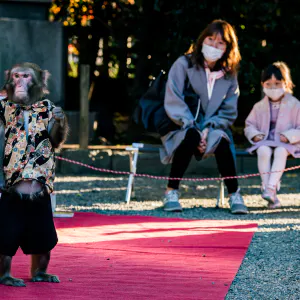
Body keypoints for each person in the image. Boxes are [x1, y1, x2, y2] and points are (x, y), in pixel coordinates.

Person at [160, 19, 248, 214]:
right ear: (202, 40)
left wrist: (208, 129)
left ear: (227, 48)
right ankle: (171, 191)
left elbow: (229, 110)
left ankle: (235, 194)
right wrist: (193, 127)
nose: (214, 46)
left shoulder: (229, 74)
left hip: (213, 128)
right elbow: (174, 98)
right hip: (181, 125)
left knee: (223, 140)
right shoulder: (183, 64)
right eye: (210, 39)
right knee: (191, 135)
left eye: (220, 43)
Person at [244, 61, 300, 208]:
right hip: (266, 141)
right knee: (263, 151)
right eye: (269, 84)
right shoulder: (259, 106)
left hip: (287, 143)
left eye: (277, 83)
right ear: (263, 84)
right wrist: (255, 135)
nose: (273, 87)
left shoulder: (295, 104)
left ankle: (270, 188)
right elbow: (249, 125)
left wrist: (290, 136)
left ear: (286, 84)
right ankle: (269, 189)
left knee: (281, 151)